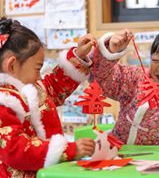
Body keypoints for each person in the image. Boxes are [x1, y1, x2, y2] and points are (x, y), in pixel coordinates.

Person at [0, 17, 96, 177]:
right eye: (37, 69)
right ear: (12, 65)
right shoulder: (4, 101)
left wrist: (78, 55)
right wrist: (69, 150)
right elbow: (15, 150)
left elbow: (57, 84)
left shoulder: (34, 89)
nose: (39, 77)